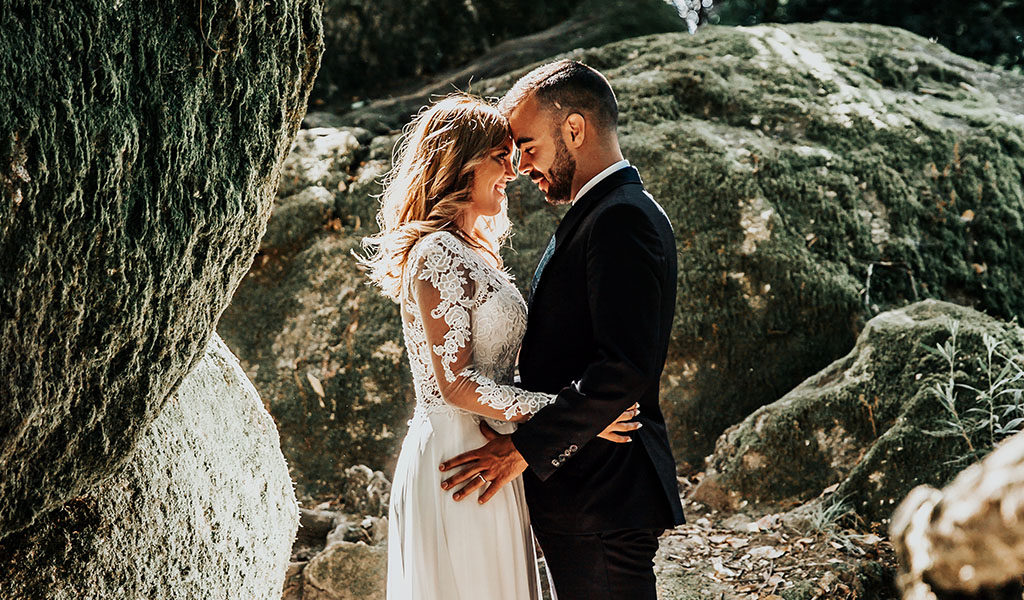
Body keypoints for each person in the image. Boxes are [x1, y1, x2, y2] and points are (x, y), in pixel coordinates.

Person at [360, 94, 640, 600]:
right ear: (459, 163)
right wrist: (572, 413)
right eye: (500, 156)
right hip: (457, 459)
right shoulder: (436, 252)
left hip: (491, 452)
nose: (513, 171)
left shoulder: (473, 251)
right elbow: (459, 384)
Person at [438, 60, 686, 600]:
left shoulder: (622, 219)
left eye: (528, 146)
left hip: (602, 493)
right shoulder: (600, 212)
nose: (521, 165)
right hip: (586, 492)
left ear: (574, 128)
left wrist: (523, 449)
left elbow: (624, 367)